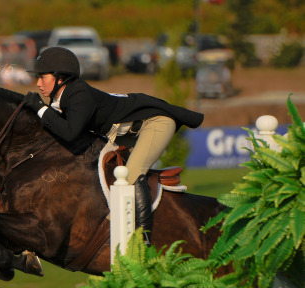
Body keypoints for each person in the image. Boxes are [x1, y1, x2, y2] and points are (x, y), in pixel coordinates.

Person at [24, 47, 204, 244]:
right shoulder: (61, 98)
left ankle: (143, 239)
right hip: (123, 134)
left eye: (43, 77)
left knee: (131, 175)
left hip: (154, 123)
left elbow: (69, 132)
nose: (38, 83)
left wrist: (40, 108)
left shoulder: (78, 93)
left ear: (60, 78)